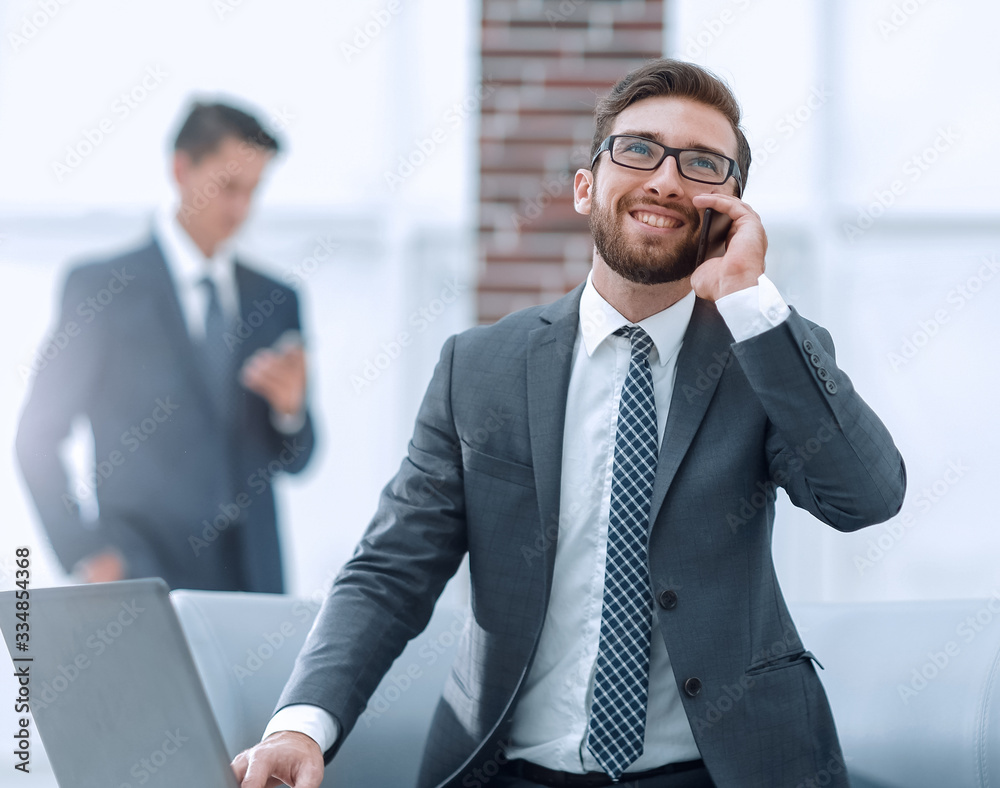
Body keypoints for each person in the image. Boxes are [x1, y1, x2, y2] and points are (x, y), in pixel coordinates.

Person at [232, 59, 905, 787]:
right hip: (514, 771)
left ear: (734, 207)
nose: (667, 180)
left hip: (720, 770)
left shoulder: (764, 356)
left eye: (704, 165)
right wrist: (301, 725)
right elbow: (391, 569)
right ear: (586, 187)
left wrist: (747, 295)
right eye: (639, 149)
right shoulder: (480, 367)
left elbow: (864, 497)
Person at [16, 101, 316, 593]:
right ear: (182, 169)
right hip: (140, 573)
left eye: (254, 192)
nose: (241, 209)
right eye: (229, 187)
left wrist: (291, 412)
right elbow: (36, 436)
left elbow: (299, 458)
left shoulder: (276, 300)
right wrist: (84, 551)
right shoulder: (101, 289)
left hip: (252, 583)